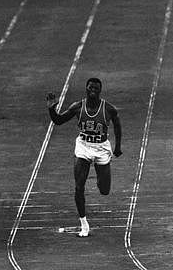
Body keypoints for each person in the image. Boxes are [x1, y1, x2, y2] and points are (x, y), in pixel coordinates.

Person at [46, 77, 122, 237]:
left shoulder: (109, 109)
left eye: (96, 88)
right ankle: (84, 223)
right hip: (83, 147)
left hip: (101, 148)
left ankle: (99, 174)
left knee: (105, 190)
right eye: (90, 88)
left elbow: (117, 125)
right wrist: (52, 109)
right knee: (79, 186)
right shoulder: (77, 107)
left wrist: (118, 147)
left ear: (100, 90)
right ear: (86, 89)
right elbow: (58, 120)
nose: (93, 90)